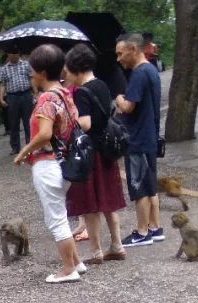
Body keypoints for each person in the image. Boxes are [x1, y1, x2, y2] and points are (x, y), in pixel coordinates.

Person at [13, 44, 86, 283]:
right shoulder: (65, 93)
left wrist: (23, 152)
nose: (30, 73)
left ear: (42, 71)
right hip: (64, 162)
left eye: (33, 69)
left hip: (48, 164)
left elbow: (45, 134)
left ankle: (67, 269)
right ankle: (76, 262)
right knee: (61, 215)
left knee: (55, 219)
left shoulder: (46, 98)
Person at [63, 43, 127, 265]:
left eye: (68, 69)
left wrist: (68, 121)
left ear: (76, 68)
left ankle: (95, 250)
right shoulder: (101, 84)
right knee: (108, 201)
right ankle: (117, 244)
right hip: (107, 152)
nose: (66, 74)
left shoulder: (82, 92)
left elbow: (86, 123)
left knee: (90, 204)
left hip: (91, 154)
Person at [115, 33, 163, 248]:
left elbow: (128, 106)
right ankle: (155, 226)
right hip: (150, 136)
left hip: (138, 138)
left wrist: (118, 97)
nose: (119, 58)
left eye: (120, 53)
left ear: (133, 49)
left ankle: (142, 231)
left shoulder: (139, 73)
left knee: (139, 186)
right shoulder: (151, 69)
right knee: (150, 184)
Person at [0, 46, 33, 157]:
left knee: (28, 122)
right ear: (8, 55)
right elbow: (2, 84)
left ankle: (30, 145)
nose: (14, 56)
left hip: (26, 94)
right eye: (11, 54)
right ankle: (15, 147)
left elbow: (31, 78)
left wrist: (35, 93)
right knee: (13, 123)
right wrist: (1, 98)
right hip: (12, 96)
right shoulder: (4, 69)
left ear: (18, 54)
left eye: (16, 53)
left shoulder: (26, 65)